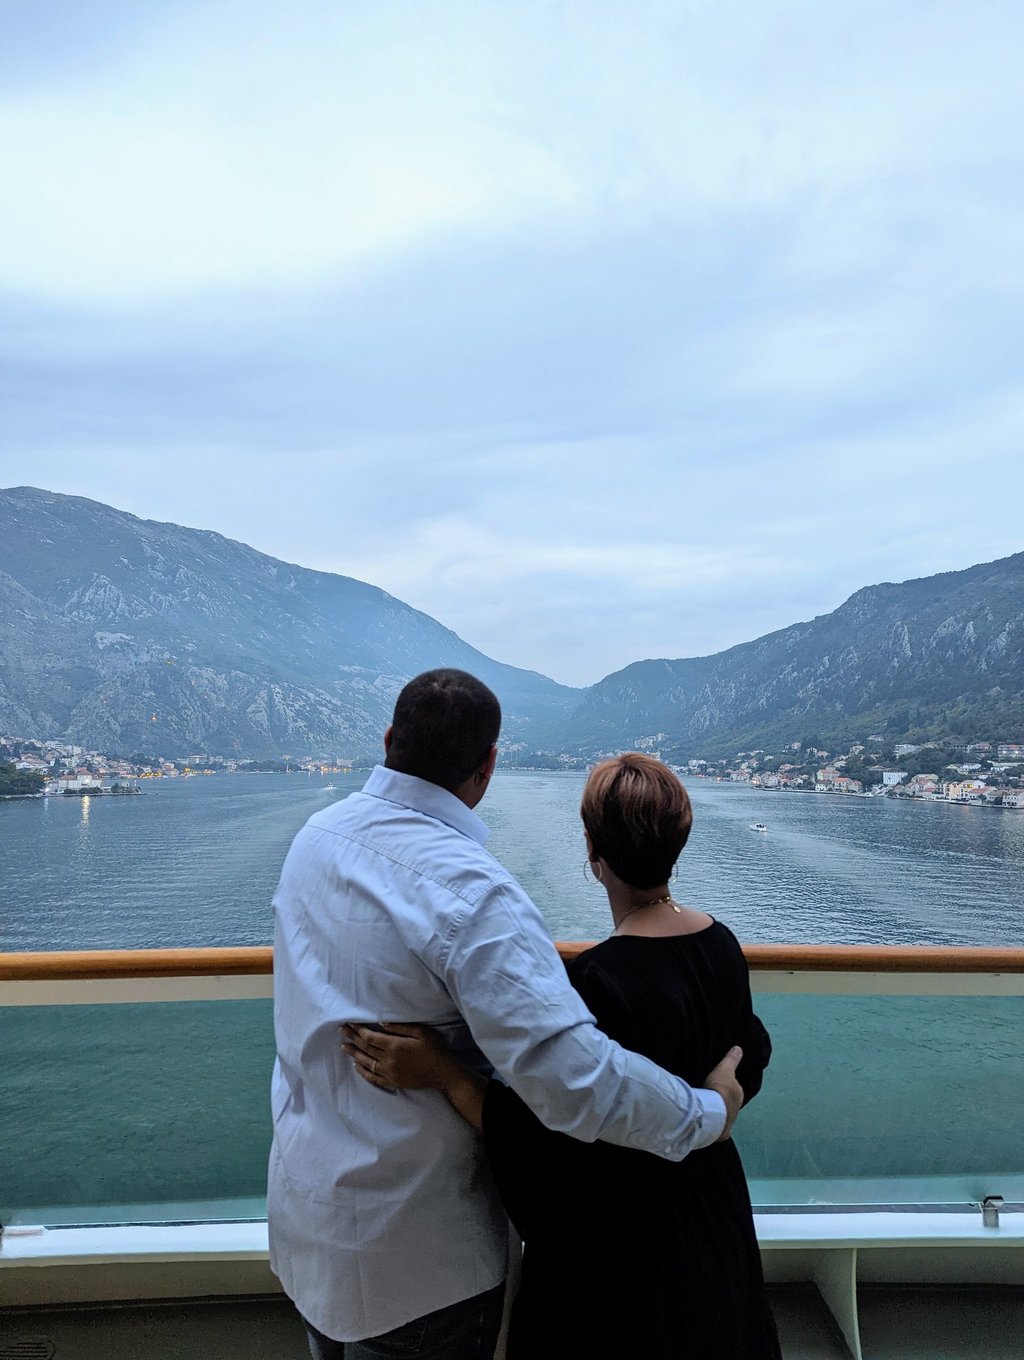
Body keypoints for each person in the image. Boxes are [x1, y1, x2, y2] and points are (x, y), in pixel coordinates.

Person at [269, 669, 745, 1359]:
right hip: (419, 1256)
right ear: (489, 765)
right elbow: (572, 1082)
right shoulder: (472, 892)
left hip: (308, 1221)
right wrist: (706, 1114)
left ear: (388, 741)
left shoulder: (314, 839)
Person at [346, 752, 780, 1359]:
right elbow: (747, 1055)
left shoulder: (596, 981)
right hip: (713, 1225)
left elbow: (541, 1133)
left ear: (592, 851)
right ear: (678, 838)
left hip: (620, 1256)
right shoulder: (722, 944)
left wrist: (442, 1072)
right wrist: (718, 1103)